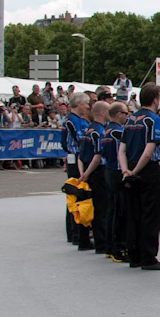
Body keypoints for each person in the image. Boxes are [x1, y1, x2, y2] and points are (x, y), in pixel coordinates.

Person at [118, 83, 160, 270]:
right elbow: (148, 152)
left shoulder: (131, 119)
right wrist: (136, 171)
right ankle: (148, 256)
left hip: (129, 165)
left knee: (133, 213)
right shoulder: (154, 120)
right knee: (150, 213)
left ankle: (134, 254)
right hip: (146, 169)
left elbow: (121, 149)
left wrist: (126, 171)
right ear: (155, 99)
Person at [77, 101, 111, 254]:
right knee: (100, 208)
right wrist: (88, 173)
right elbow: (97, 156)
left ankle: (85, 240)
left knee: (87, 206)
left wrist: (82, 173)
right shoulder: (99, 131)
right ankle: (101, 243)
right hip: (97, 171)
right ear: (103, 113)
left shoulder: (87, 130)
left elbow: (79, 154)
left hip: (86, 169)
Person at [61, 92, 92, 247]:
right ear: (79, 103)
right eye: (86, 103)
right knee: (75, 195)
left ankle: (78, 233)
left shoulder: (78, 120)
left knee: (79, 195)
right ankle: (75, 233)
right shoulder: (71, 121)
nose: (87, 107)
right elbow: (79, 141)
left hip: (77, 159)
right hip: (75, 160)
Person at [101, 101, 129, 262]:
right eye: (126, 113)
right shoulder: (118, 132)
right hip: (117, 171)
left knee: (111, 209)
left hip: (109, 169)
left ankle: (109, 245)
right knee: (120, 211)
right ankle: (118, 248)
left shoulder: (106, 131)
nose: (127, 116)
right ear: (119, 114)